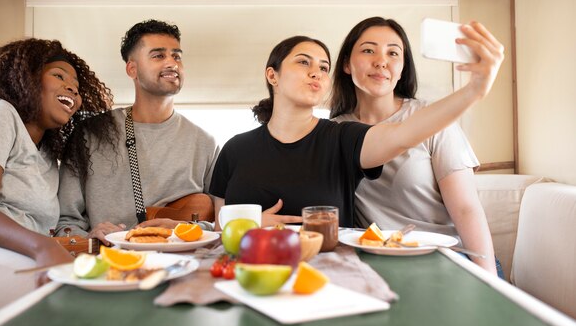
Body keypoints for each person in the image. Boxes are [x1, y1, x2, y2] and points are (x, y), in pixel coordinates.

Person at [210, 22, 503, 231]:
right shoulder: (235, 149)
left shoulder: (342, 138)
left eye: (324, 67)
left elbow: (402, 135)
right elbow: (218, 223)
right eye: (303, 62)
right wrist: (246, 223)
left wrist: (473, 91)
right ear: (272, 75)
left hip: (331, 273)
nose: (316, 71)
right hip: (243, 270)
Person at [0, 38, 113, 326]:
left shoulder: (49, 156)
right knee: (59, 300)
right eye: (59, 76)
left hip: (9, 250)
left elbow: (37, 223)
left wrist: (88, 235)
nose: (73, 89)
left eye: (75, 84)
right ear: (26, 78)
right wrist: (45, 249)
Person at [329, 17, 498, 274]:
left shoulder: (433, 119)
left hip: (448, 260)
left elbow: (466, 208)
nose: (381, 61)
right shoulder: (334, 132)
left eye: (393, 53)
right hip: (380, 264)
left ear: (402, 67)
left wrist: (487, 276)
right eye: (368, 50)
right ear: (346, 65)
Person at [56, 20, 219, 244]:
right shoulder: (89, 135)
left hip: (183, 263)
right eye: (158, 56)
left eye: (177, 56)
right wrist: (90, 238)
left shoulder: (205, 143)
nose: (172, 63)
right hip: (111, 263)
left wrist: (182, 228)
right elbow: (65, 223)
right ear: (132, 69)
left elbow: (221, 224)